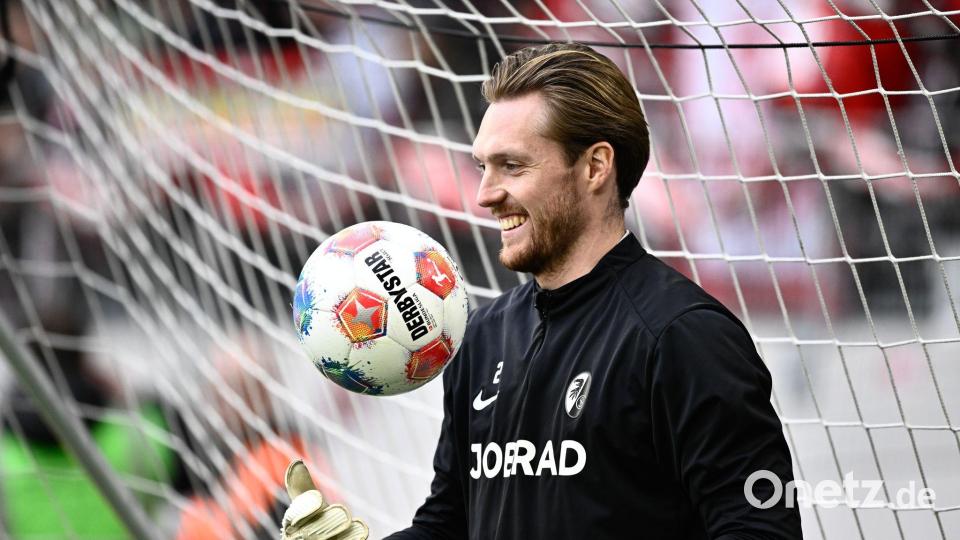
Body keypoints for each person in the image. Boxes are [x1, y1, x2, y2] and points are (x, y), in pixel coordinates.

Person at [280, 42, 802, 540]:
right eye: (483, 166)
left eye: (512, 165)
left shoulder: (682, 335)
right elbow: (448, 526)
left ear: (596, 167)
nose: (485, 194)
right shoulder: (479, 335)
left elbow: (759, 529)